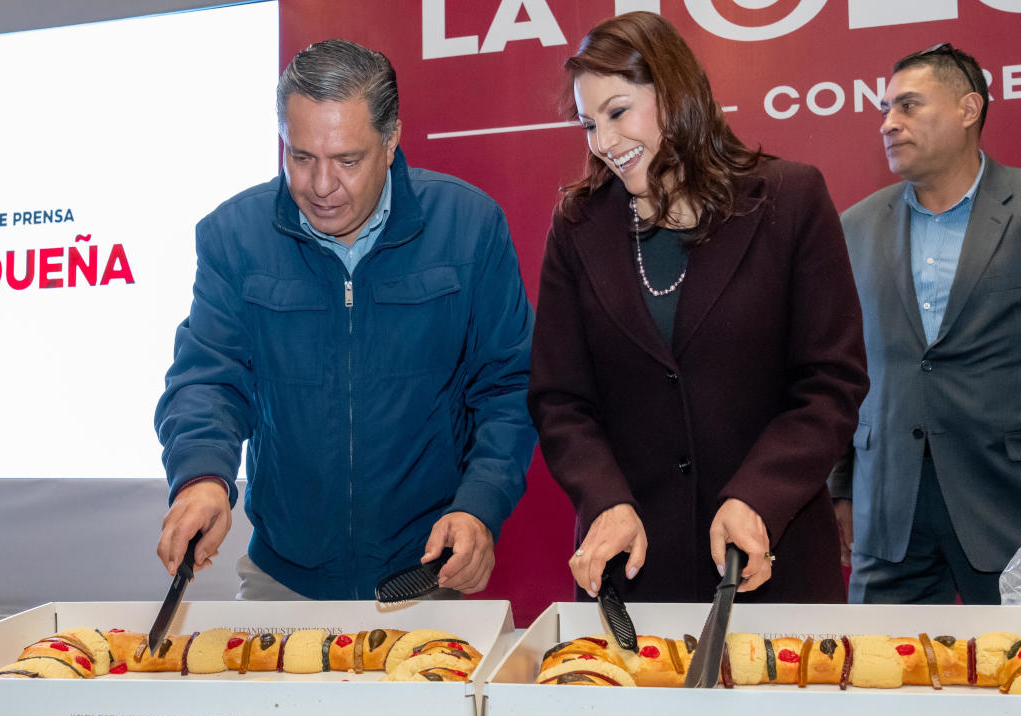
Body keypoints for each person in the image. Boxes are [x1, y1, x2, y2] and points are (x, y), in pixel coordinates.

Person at [154, 40, 536, 600]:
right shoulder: (233, 237)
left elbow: (509, 387)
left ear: (391, 142)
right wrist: (202, 478)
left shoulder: (470, 227)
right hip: (282, 576)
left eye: (347, 160)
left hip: (426, 572)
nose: (321, 185)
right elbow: (208, 379)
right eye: (301, 156)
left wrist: (481, 504)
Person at [527, 12, 868, 603]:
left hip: (767, 563)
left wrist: (759, 496)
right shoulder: (579, 226)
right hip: (631, 573)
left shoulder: (790, 200)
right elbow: (560, 399)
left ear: (676, 93)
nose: (603, 143)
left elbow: (830, 384)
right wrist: (603, 498)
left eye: (617, 112)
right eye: (588, 124)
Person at [830, 44, 1021, 604]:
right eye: (887, 109)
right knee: (878, 681)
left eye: (909, 106)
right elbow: (841, 367)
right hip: (888, 508)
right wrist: (842, 485)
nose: (889, 123)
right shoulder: (854, 226)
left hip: (1005, 503)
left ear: (968, 109)